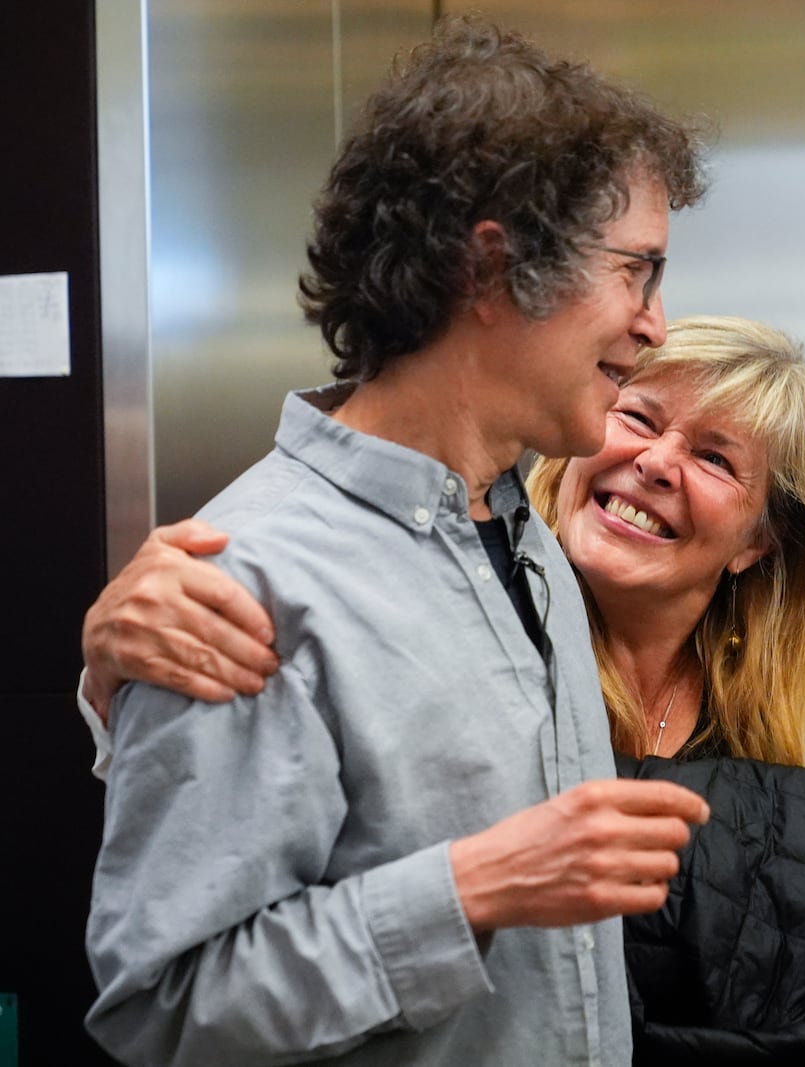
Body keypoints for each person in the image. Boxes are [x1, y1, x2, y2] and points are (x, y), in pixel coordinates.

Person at [83, 17, 713, 1066]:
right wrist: (470, 888)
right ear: (492, 267)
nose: (655, 322)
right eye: (637, 271)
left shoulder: (528, 536)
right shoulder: (242, 585)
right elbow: (167, 1004)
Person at [80, 317, 805, 1058]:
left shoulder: (789, 671)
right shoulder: (497, 603)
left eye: (715, 458)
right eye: (639, 418)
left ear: (758, 542)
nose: (656, 462)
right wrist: (110, 683)